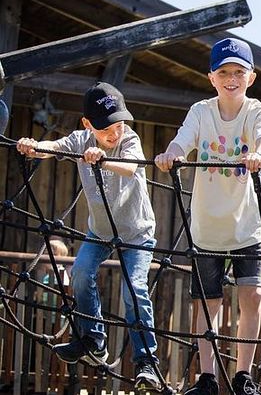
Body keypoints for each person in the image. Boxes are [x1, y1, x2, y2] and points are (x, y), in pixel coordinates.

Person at [16, 82, 162, 390]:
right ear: (87, 125)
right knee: (80, 273)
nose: (115, 133)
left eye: (119, 124)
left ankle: (146, 361)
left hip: (136, 232)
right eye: (106, 127)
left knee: (133, 287)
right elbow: (55, 147)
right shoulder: (81, 139)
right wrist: (33, 146)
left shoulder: (130, 140)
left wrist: (101, 159)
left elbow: (131, 168)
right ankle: (93, 339)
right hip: (100, 231)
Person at [154, 38, 261, 395]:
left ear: (250, 78)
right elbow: (183, 140)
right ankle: (207, 376)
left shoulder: (256, 112)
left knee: (252, 296)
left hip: (247, 226)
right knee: (207, 301)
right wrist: (171, 154)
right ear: (212, 77)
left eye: (239, 72)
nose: (231, 78)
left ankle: (242, 375)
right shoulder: (201, 111)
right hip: (207, 225)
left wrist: (259, 156)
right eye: (224, 72)